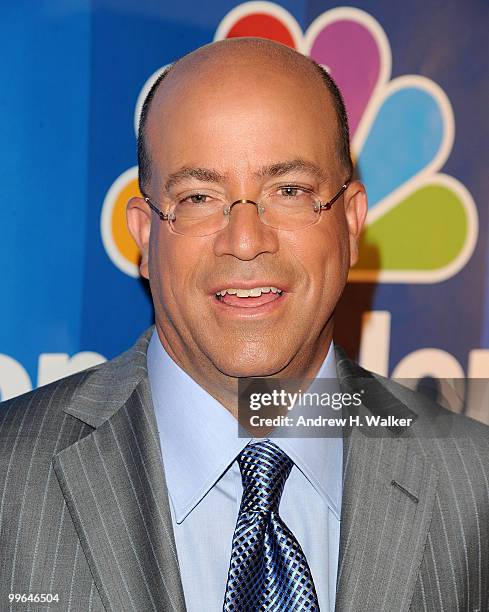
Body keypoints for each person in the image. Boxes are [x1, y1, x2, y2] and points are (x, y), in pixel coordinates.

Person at [0, 37, 488, 612]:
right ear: (145, 234)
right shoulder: (10, 479)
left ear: (352, 224)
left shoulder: (474, 486)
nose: (246, 240)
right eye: (200, 196)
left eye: (289, 191)